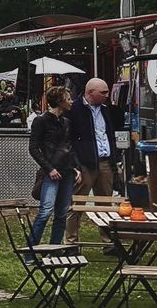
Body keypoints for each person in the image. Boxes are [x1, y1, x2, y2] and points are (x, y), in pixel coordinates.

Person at [66, 78, 119, 242]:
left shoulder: (106, 110)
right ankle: (71, 241)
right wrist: (75, 163)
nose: (107, 95)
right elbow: (69, 139)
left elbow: (109, 134)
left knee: (105, 203)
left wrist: (114, 160)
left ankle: (108, 241)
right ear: (90, 93)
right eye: (103, 92)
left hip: (104, 161)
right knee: (76, 203)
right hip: (84, 163)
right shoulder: (74, 109)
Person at [26, 86, 77, 252]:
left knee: (61, 214)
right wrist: (49, 168)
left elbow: (70, 146)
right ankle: (31, 251)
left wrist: (76, 168)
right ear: (60, 101)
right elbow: (33, 148)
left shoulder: (67, 122)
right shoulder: (41, 121)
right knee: (45, 211)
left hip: (67, 170)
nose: (71, 102)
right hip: (51, 171)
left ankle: (54, 250)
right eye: (68, 99)